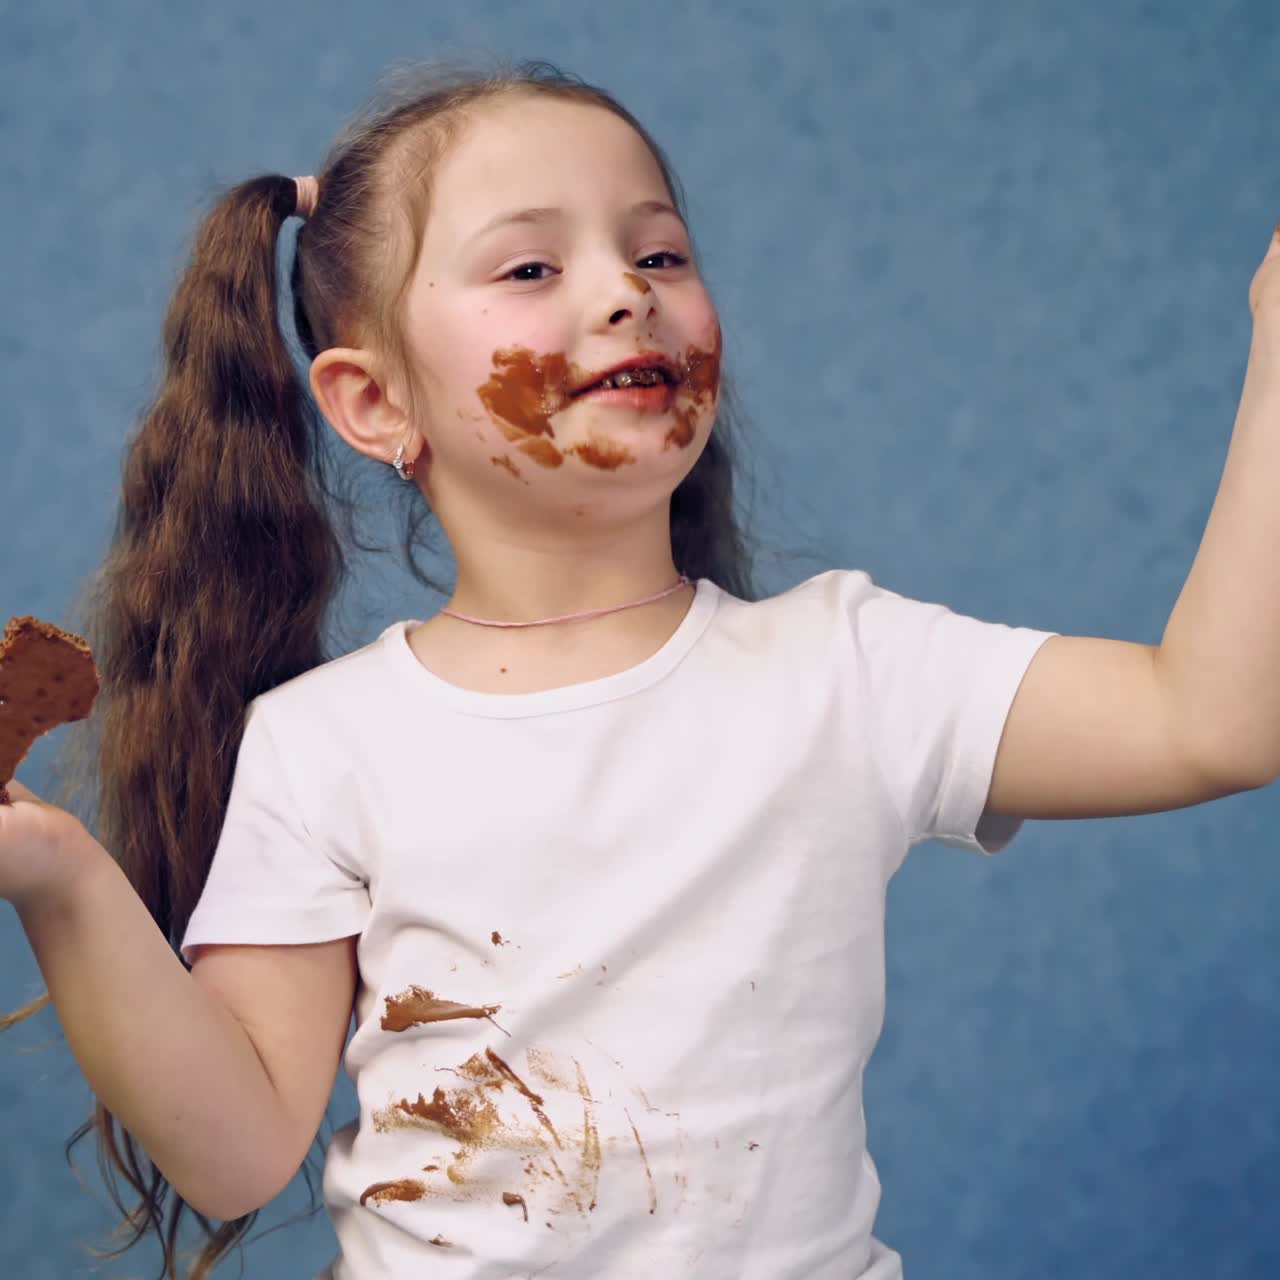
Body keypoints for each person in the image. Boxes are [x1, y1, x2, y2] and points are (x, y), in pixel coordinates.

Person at [2, 60, 1278, 1280]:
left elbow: (1210, 719)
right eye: (531, 264)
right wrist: (56, 873)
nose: (626, 291)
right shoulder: (321, 741)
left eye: (657, 250)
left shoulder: (848, 668)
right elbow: (235, 1152)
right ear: (374, 402)